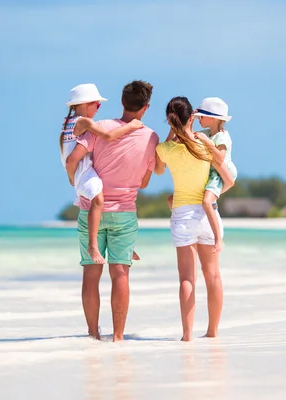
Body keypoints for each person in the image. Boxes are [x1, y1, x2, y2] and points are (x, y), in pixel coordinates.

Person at [66, 80, 159, 341]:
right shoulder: (151, 136)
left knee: (91, 273)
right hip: (125, 213)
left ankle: (93, 334)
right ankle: (118, 337)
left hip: (91, 209)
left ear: (122, 102)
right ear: (146, 107)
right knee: (120, 273)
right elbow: (144, 182)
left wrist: (75, 183)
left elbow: (74, 160)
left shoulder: (100, 127)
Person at [154, 96, 235, 341]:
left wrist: (170, 135)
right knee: (214, 277)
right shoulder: (205, 145)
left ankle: (187, 335)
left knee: (187, 279)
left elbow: (158, 171)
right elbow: (227, 177)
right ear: (192, 118)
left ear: (170, 121)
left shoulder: (164, 148)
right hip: (207, 214)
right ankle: (212, 332)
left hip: (182, 215)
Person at [60, 83, 143, 264]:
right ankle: (93, 245)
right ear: (87, 104)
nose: (98, 110)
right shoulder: (84, 122)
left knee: (104, 190)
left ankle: (123, 245)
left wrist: (71, 176)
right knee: (99, 200)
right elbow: (108, 136)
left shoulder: (68, 121)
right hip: (81, 170)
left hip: (80, 170)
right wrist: (131, 126)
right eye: (97, 105)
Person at [167, 97, 236, 254]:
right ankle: (183, 222)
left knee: (206, 202)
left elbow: (220, 159)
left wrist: (208, 143)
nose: (198, 120)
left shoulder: (222, 136)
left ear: (212, 118)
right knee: (171, 199)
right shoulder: (206, 133)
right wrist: (183, 123)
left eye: (201, 117)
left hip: (217, 175)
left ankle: (218, 239)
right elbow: (184, 137)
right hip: (207, 173)